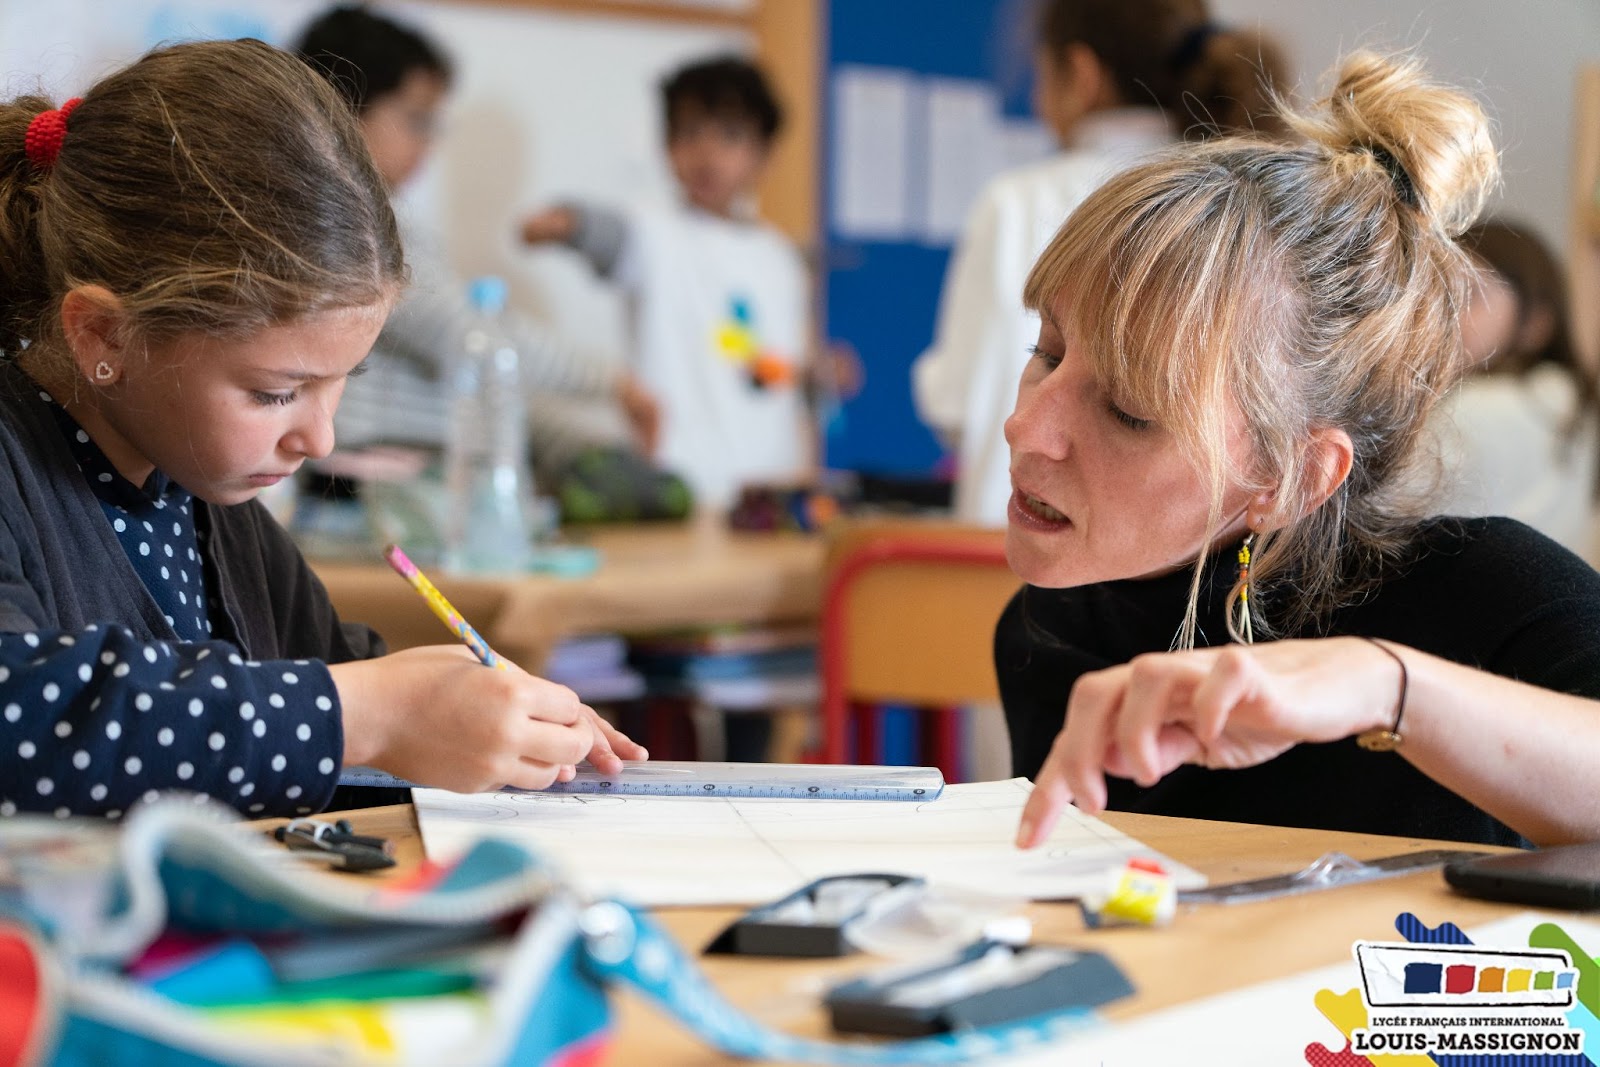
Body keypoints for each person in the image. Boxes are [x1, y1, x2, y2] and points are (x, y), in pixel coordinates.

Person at [0, 38, 644, 819]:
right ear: (103, 335)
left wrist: (485, 724)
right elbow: (23, 717)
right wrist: (367, 713)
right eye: (277, 393)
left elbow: (326, 702)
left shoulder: (208, 502)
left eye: (344, 383)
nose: (322, 440)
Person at [998, 51, 1600, 852]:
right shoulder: (1050, 625)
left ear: (1291, 478)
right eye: (1046, 351)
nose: (1027, 427)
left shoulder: (1491, 595)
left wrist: (1386, 688)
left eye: (1130, 410)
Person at [914, 0, 1285, 525]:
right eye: (1042, 354)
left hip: (1009, 548)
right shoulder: (1245, 207)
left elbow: (955, 404)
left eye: (1128, 410)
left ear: (1082, 75)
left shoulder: (1018, 204)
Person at [291, 6, 663, 483]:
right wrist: (611, 382)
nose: (429, 143)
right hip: (371, 483)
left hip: (402, 474)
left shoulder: (379, 223)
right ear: (342, 108)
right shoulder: (351, 228)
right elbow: (475, 336)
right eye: (416, 120)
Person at [520, 55, 813, 510]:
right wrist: (568, 224)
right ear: (667, 145)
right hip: (678, 482)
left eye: (730, 136)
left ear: (764, 155)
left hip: (770, 484)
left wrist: (816, 375)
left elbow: (782, 364)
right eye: (689, 132)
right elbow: (609, 235)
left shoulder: (781, 257)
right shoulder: (655, 231)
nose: (707, 153)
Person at [1430, 219, 1600, 560]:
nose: (1445, 314)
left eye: (1470, 295)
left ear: (1536, 323)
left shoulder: (1477, 410)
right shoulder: (1575, 405)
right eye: (1439, 292)